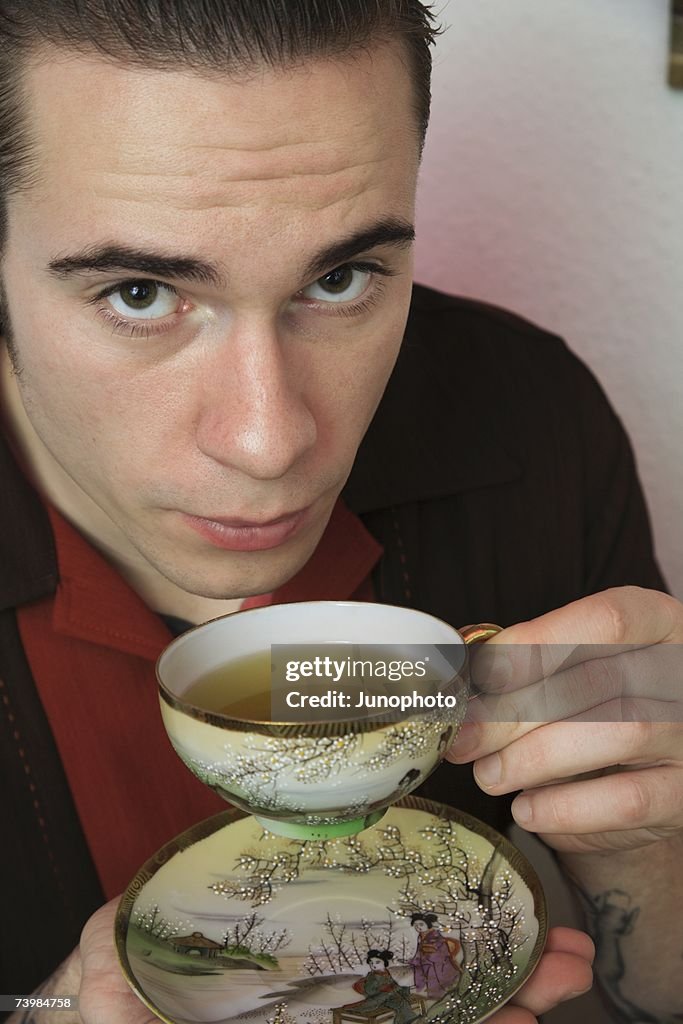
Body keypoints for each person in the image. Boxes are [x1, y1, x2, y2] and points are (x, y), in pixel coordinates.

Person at [0, 2, 680, 1023]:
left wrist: (649, 851)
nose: (268, 440)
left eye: (339, 277)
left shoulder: (526, 416)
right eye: (140, 292)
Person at [341, 950, 419, 1024]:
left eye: (377, 962)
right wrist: (385, 989)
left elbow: (391, 983)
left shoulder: (386, 972)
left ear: (384, 963)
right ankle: (408, 1021)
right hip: (380, 997)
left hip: (390, 994)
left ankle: (409, 1020)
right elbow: (370, 991)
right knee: (402, 1004)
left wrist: (397, 986)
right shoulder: (373, 976)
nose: (373, 965)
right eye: (371, 963)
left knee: (405, 995)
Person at [408, 913, 462, 998]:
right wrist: (415, 960)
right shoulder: (421, 937)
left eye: (421, 924)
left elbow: (440, 955)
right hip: (427, 964)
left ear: (428, 924)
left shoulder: (436, 937)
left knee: (436, 984)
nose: (418, 927)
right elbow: (419, 953)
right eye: (415, 925)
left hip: (440, 966)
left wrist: (424, 958)